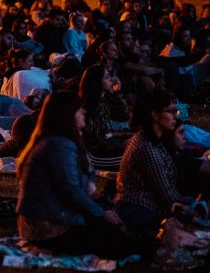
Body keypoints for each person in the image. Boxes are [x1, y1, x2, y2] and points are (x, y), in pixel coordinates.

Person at [16, 91, 144, 259]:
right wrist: (102, 214)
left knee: (117, 231)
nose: (84, 112)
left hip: (44, 222)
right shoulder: (60, 145)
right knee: (118, 240)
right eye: (79, 109)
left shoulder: (52, 141)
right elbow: (72, 192)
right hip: (51, 227)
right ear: (68, 114)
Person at [113, 89, 183, 233]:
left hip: (139, 210)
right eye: (171, 111)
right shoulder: (146, 148)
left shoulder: (148, 139)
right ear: (155, 115)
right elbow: (167, 195)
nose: (176, 115)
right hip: (137, 213)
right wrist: (193, 208)